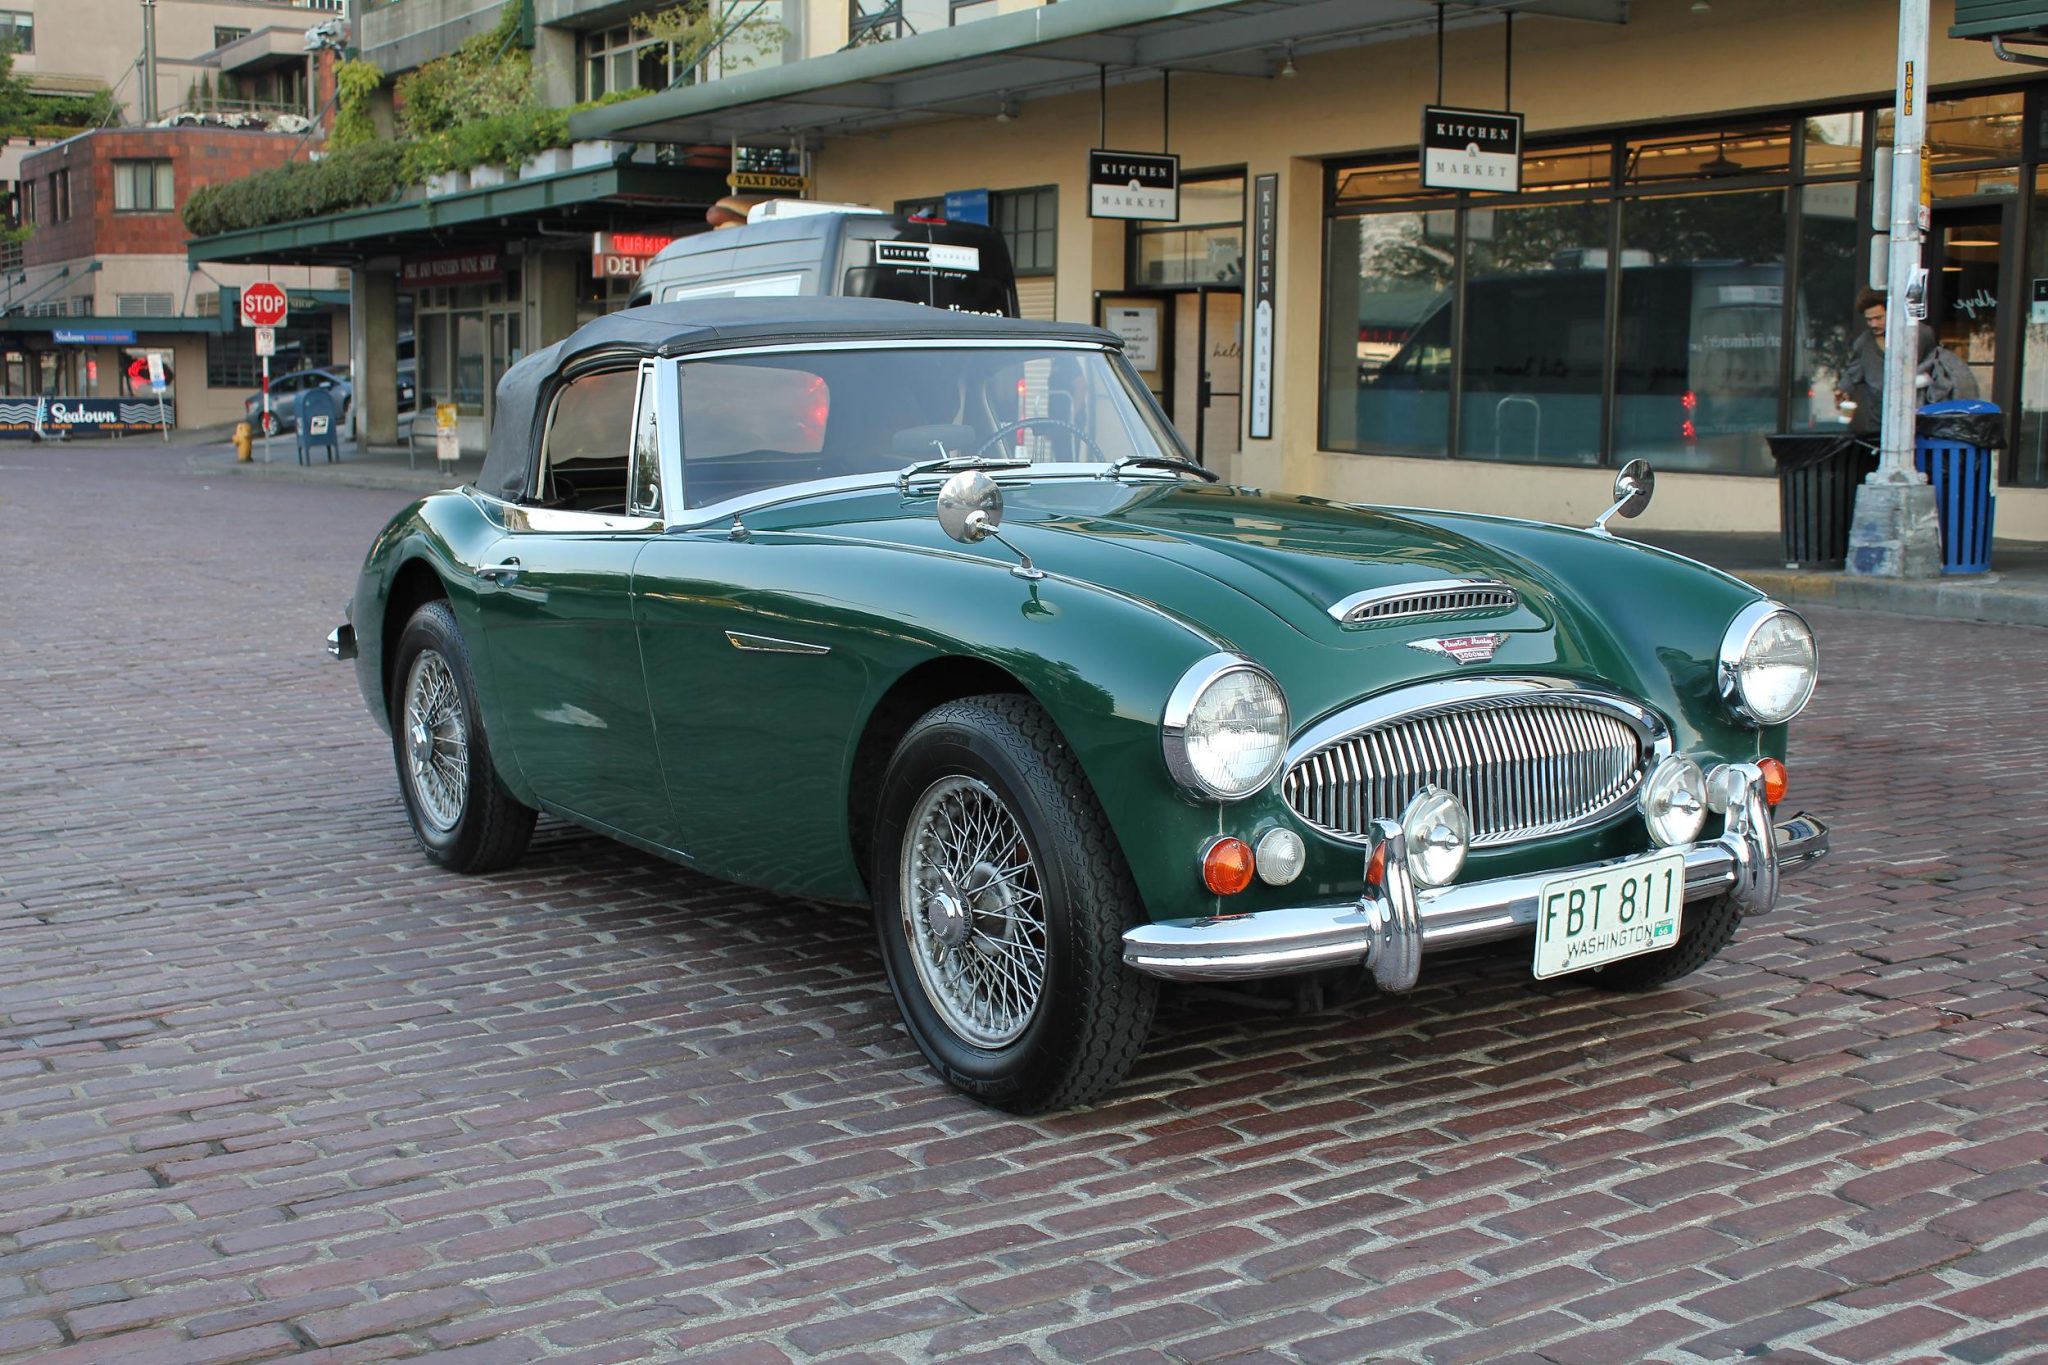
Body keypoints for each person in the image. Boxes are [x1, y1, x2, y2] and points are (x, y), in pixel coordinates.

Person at [1835, 288, 1979, 435]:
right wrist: (1843, 390)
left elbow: (1934, 365)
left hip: (1918, 421)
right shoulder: (1864, 343)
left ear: (1892, 313)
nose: (1873, 324)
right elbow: (1852, 372)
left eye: (1879, 318)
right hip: (1879, 425)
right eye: (1869, 320)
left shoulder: (1920, 334)